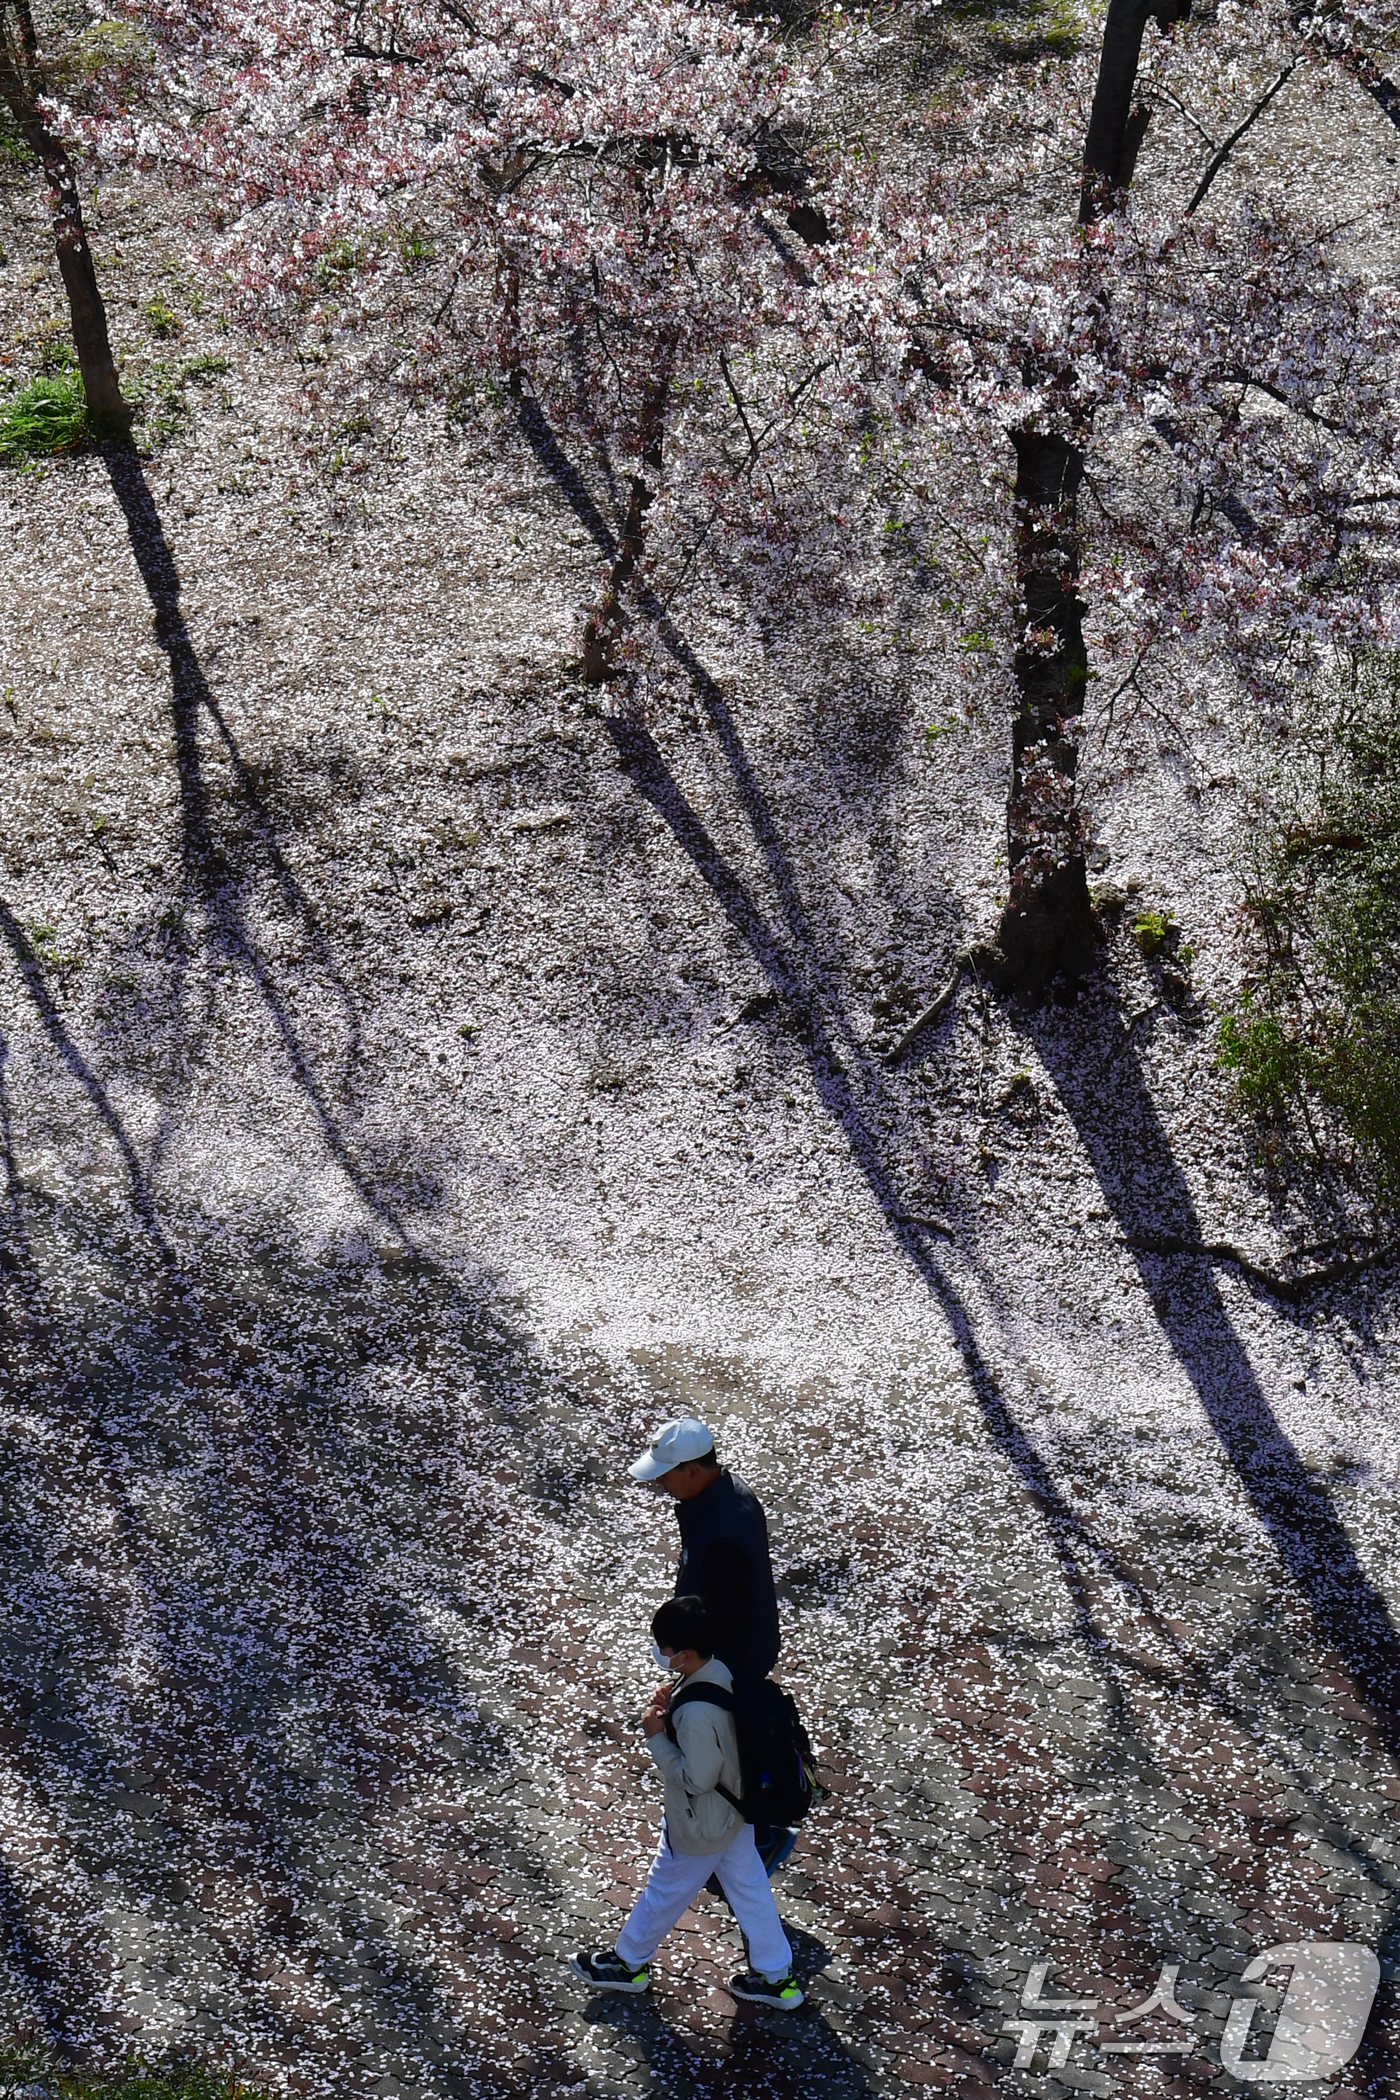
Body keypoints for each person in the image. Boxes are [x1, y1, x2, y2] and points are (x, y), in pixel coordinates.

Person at [570, 1596, 804, 2009]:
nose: (661, 1653)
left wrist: (656, 1736)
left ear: (686, 1653)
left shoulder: (695, 1714)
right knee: (750, 1890)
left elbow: (697, 1778)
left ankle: (628, 1965)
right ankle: (777, 1978)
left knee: (665, 1889)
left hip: (701, 1823)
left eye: (666, 1648)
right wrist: (676, 1694)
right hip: (734, 1814)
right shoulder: (719, 1671)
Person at [627, 1418, 779, 1683]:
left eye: (666, 1473)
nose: (660, 1481)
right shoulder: (731, 1491)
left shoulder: (721, 1535)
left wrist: (702, 1682)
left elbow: (734, 1622)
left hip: (728, 1669)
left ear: (693, 1471)